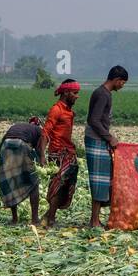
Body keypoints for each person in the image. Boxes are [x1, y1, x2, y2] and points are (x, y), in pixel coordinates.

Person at [85, 65, 129, 229]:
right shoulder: (102, 94)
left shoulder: (104, 93)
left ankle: (96, 219)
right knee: (99, 180)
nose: (122, 86)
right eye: (122, 83)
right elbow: (94, 120)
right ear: (117, 80)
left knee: (104, 180)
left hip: (99, 139)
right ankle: (94, 221)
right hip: (95, 139)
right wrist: (109, 138)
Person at [42, 79, 80, 226]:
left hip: (68, 152)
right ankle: (50, 218)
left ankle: (49, 215)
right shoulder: (56, 109)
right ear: (66, 92)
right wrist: (42, 156)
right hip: (58, 153)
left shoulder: (68, 110)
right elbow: (46, 132)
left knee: (66, 186)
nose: (77, 96)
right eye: (75, 93)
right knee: (57, 186)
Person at [0, 116, 46, 225]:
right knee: (33, 182)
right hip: (21, 144)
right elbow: (39, 151)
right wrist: (41, 163)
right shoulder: (40, 131)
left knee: (11, 181)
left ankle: (14, 218)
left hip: (6, 146)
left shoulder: (18, 126)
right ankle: (35, 219)